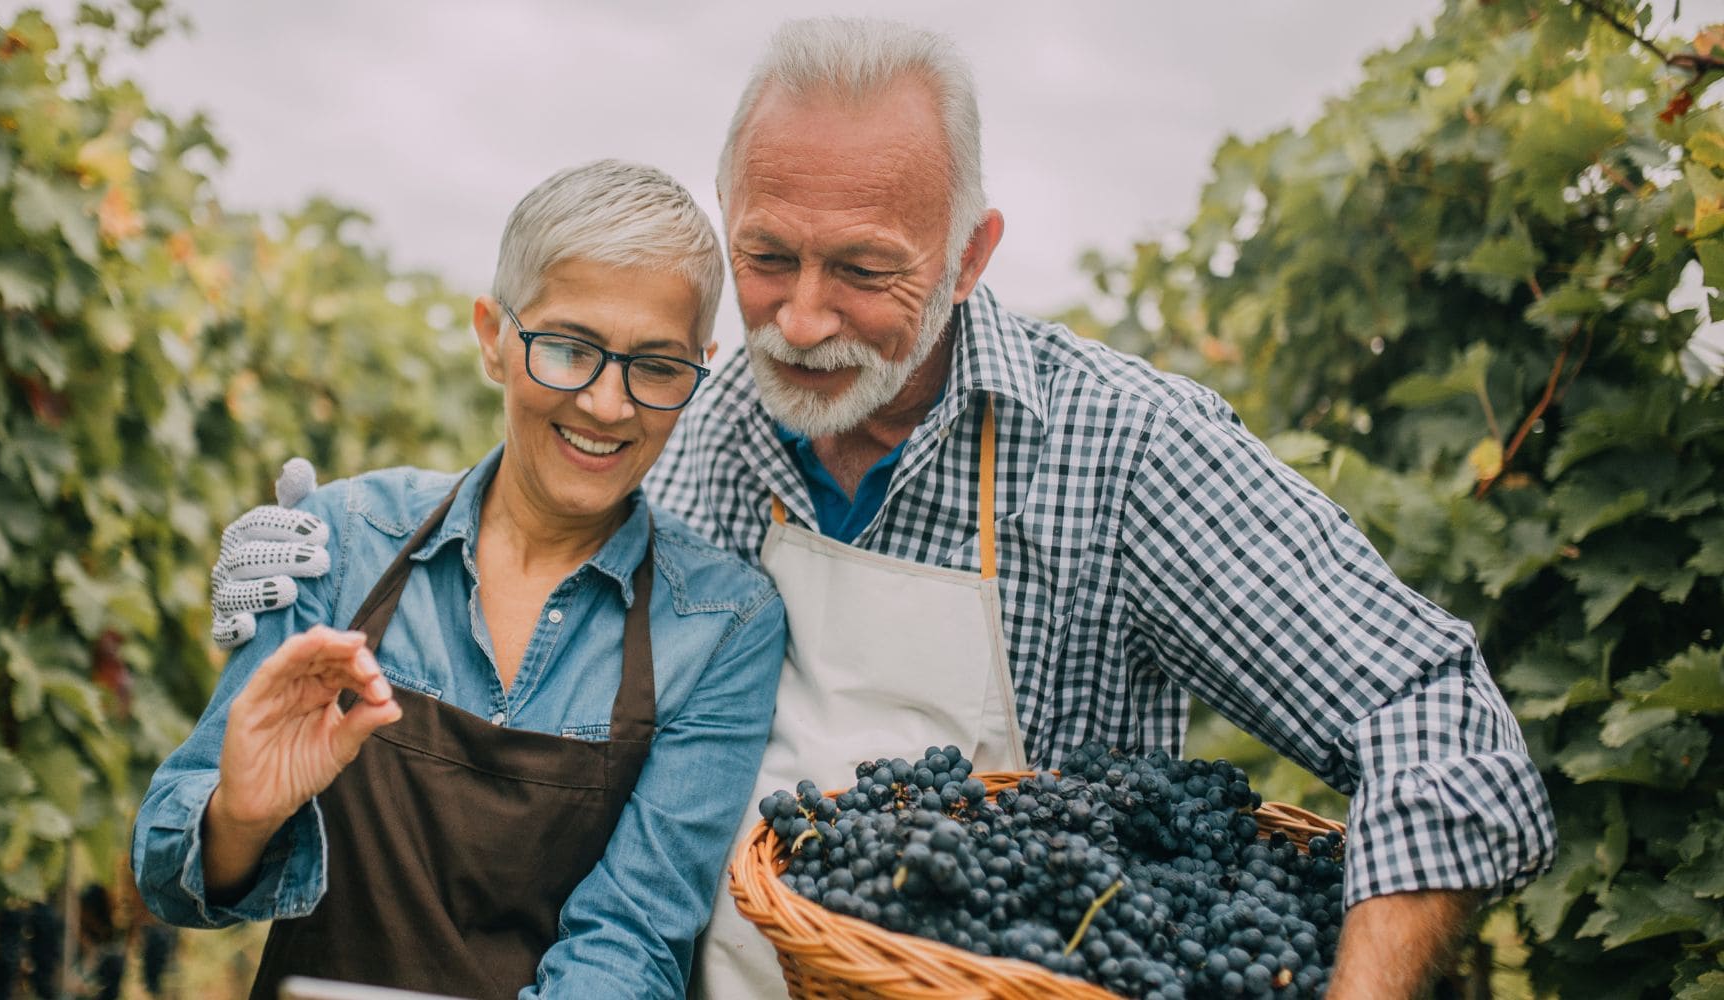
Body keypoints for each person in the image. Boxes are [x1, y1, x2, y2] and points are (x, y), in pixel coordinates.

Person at [210, 19, 1557, 1000]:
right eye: (765, 257)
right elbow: (496, 588)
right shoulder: (680, 440)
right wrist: (319, 567)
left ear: (973, 251)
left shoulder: (1120, 450)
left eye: (865, 270)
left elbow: (1438, 724)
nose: (798, 321)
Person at [136, 160, 787, 1000]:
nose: (607, 405)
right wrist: (243, 815)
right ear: (493, 336)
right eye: (567, 348)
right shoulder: (346, 542)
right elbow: (165, 869)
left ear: (699, 368)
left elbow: (631, 938)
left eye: (656, 366)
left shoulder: (723, 625)